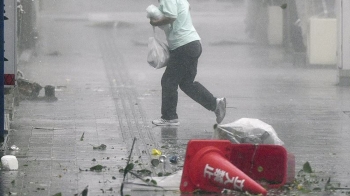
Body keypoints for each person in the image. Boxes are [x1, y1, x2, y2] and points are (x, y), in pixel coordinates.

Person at [150, 0, 226, 126]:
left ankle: (169, 117)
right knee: (186, 83)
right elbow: (179, 15)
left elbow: (171, 17)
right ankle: (215, 104)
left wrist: (155, 21)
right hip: (193, 43)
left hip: (183, 46)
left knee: (169, 81)